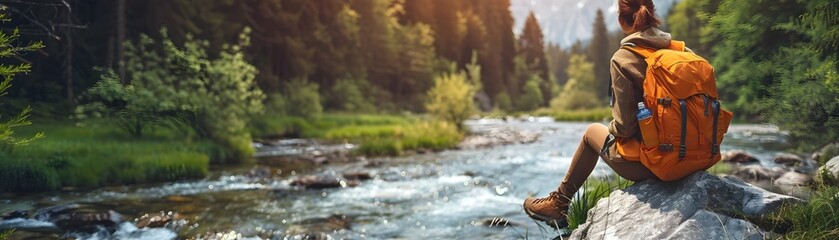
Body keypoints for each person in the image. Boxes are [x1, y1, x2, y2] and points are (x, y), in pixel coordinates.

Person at [522, 0, 687, 227]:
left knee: (592, 132)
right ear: (652, 14)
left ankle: (558, 204)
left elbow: (625, 128)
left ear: (622, 20)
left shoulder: (624, 58)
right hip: (693, 157)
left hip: (656, 164)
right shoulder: (680, 50)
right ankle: (557, 203)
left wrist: (610, 126)